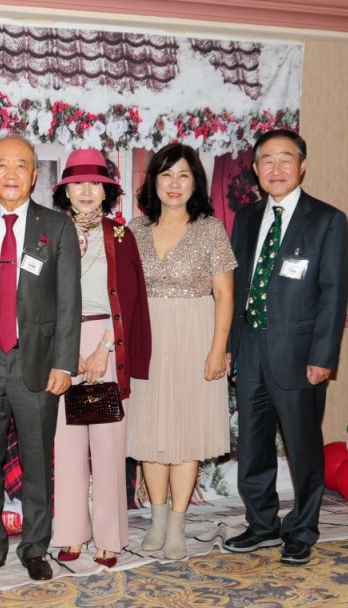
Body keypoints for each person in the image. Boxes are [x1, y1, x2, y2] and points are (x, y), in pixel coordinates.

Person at [0, 134, 81, 582]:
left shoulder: (57, 227)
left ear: (34, 176)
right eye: (2, 165)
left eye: (21, 165)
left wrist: (64, 363)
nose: (11, 173)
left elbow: (68, 301)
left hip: (37, 362)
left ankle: (35, 548)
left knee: (37, 461)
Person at [224, 129, 348, 565]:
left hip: (300, 357)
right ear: (256, 169)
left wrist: (323, 357)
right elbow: (238, 287)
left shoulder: (328, 220)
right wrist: (232, 347)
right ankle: (262, 525)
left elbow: (334, 294)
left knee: (303, 448)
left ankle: (302, 529)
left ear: (302, 166)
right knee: (253, 446)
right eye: (267, 160)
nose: (276, 169)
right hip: (250, 351)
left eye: (285, 159)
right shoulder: (246, 218)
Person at [126, 143, 237, 560]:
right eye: (167, 174)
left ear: (196, 183)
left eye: (184, 175)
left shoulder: (210, 230)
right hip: (147, 339)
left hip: (195, 336)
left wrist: (218, 349)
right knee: (150, 432)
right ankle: (156, 520)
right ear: (154, 181)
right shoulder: (134, 230)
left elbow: (225, 295)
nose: (175, 184)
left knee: (186, 434)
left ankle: (177, 524)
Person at [51, 150, 151, 569]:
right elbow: (41, 298)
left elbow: (131, 299)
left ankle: (110, 537)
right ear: (66, 191)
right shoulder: (51, 233)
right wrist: (66, 348)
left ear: (106, 190)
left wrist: (103, 347)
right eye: (78, 183)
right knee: (67, 447)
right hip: (62, 346)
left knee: (108, 449)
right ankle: (71, 531)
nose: (87, 191)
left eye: (95, 183)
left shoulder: (121, 236)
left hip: (109, 345)